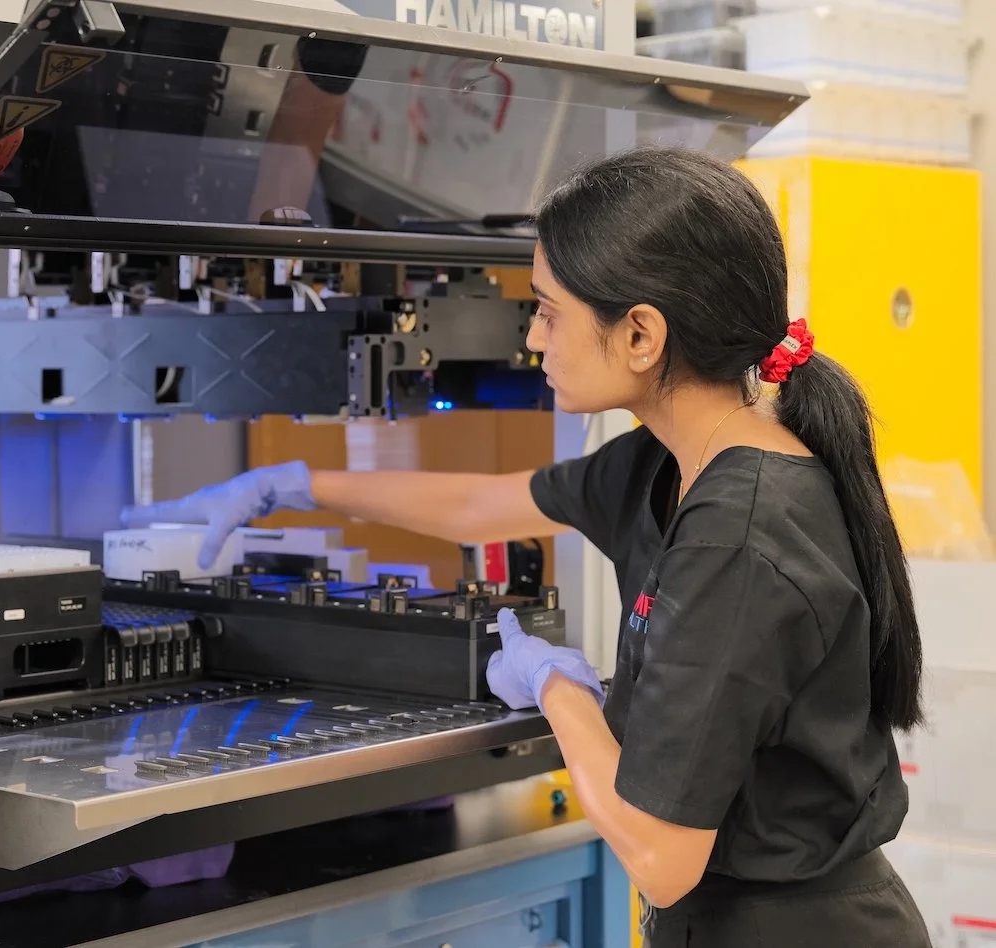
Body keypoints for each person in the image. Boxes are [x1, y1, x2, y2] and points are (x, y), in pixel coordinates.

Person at [121, 146, 932, 946]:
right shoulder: (668, 460)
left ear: (641, 337)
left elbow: (660, 854)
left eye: (547, 310)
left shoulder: (737, 538)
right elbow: (483, 503)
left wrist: (556, 685)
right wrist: (290, 482)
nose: (534, 340)